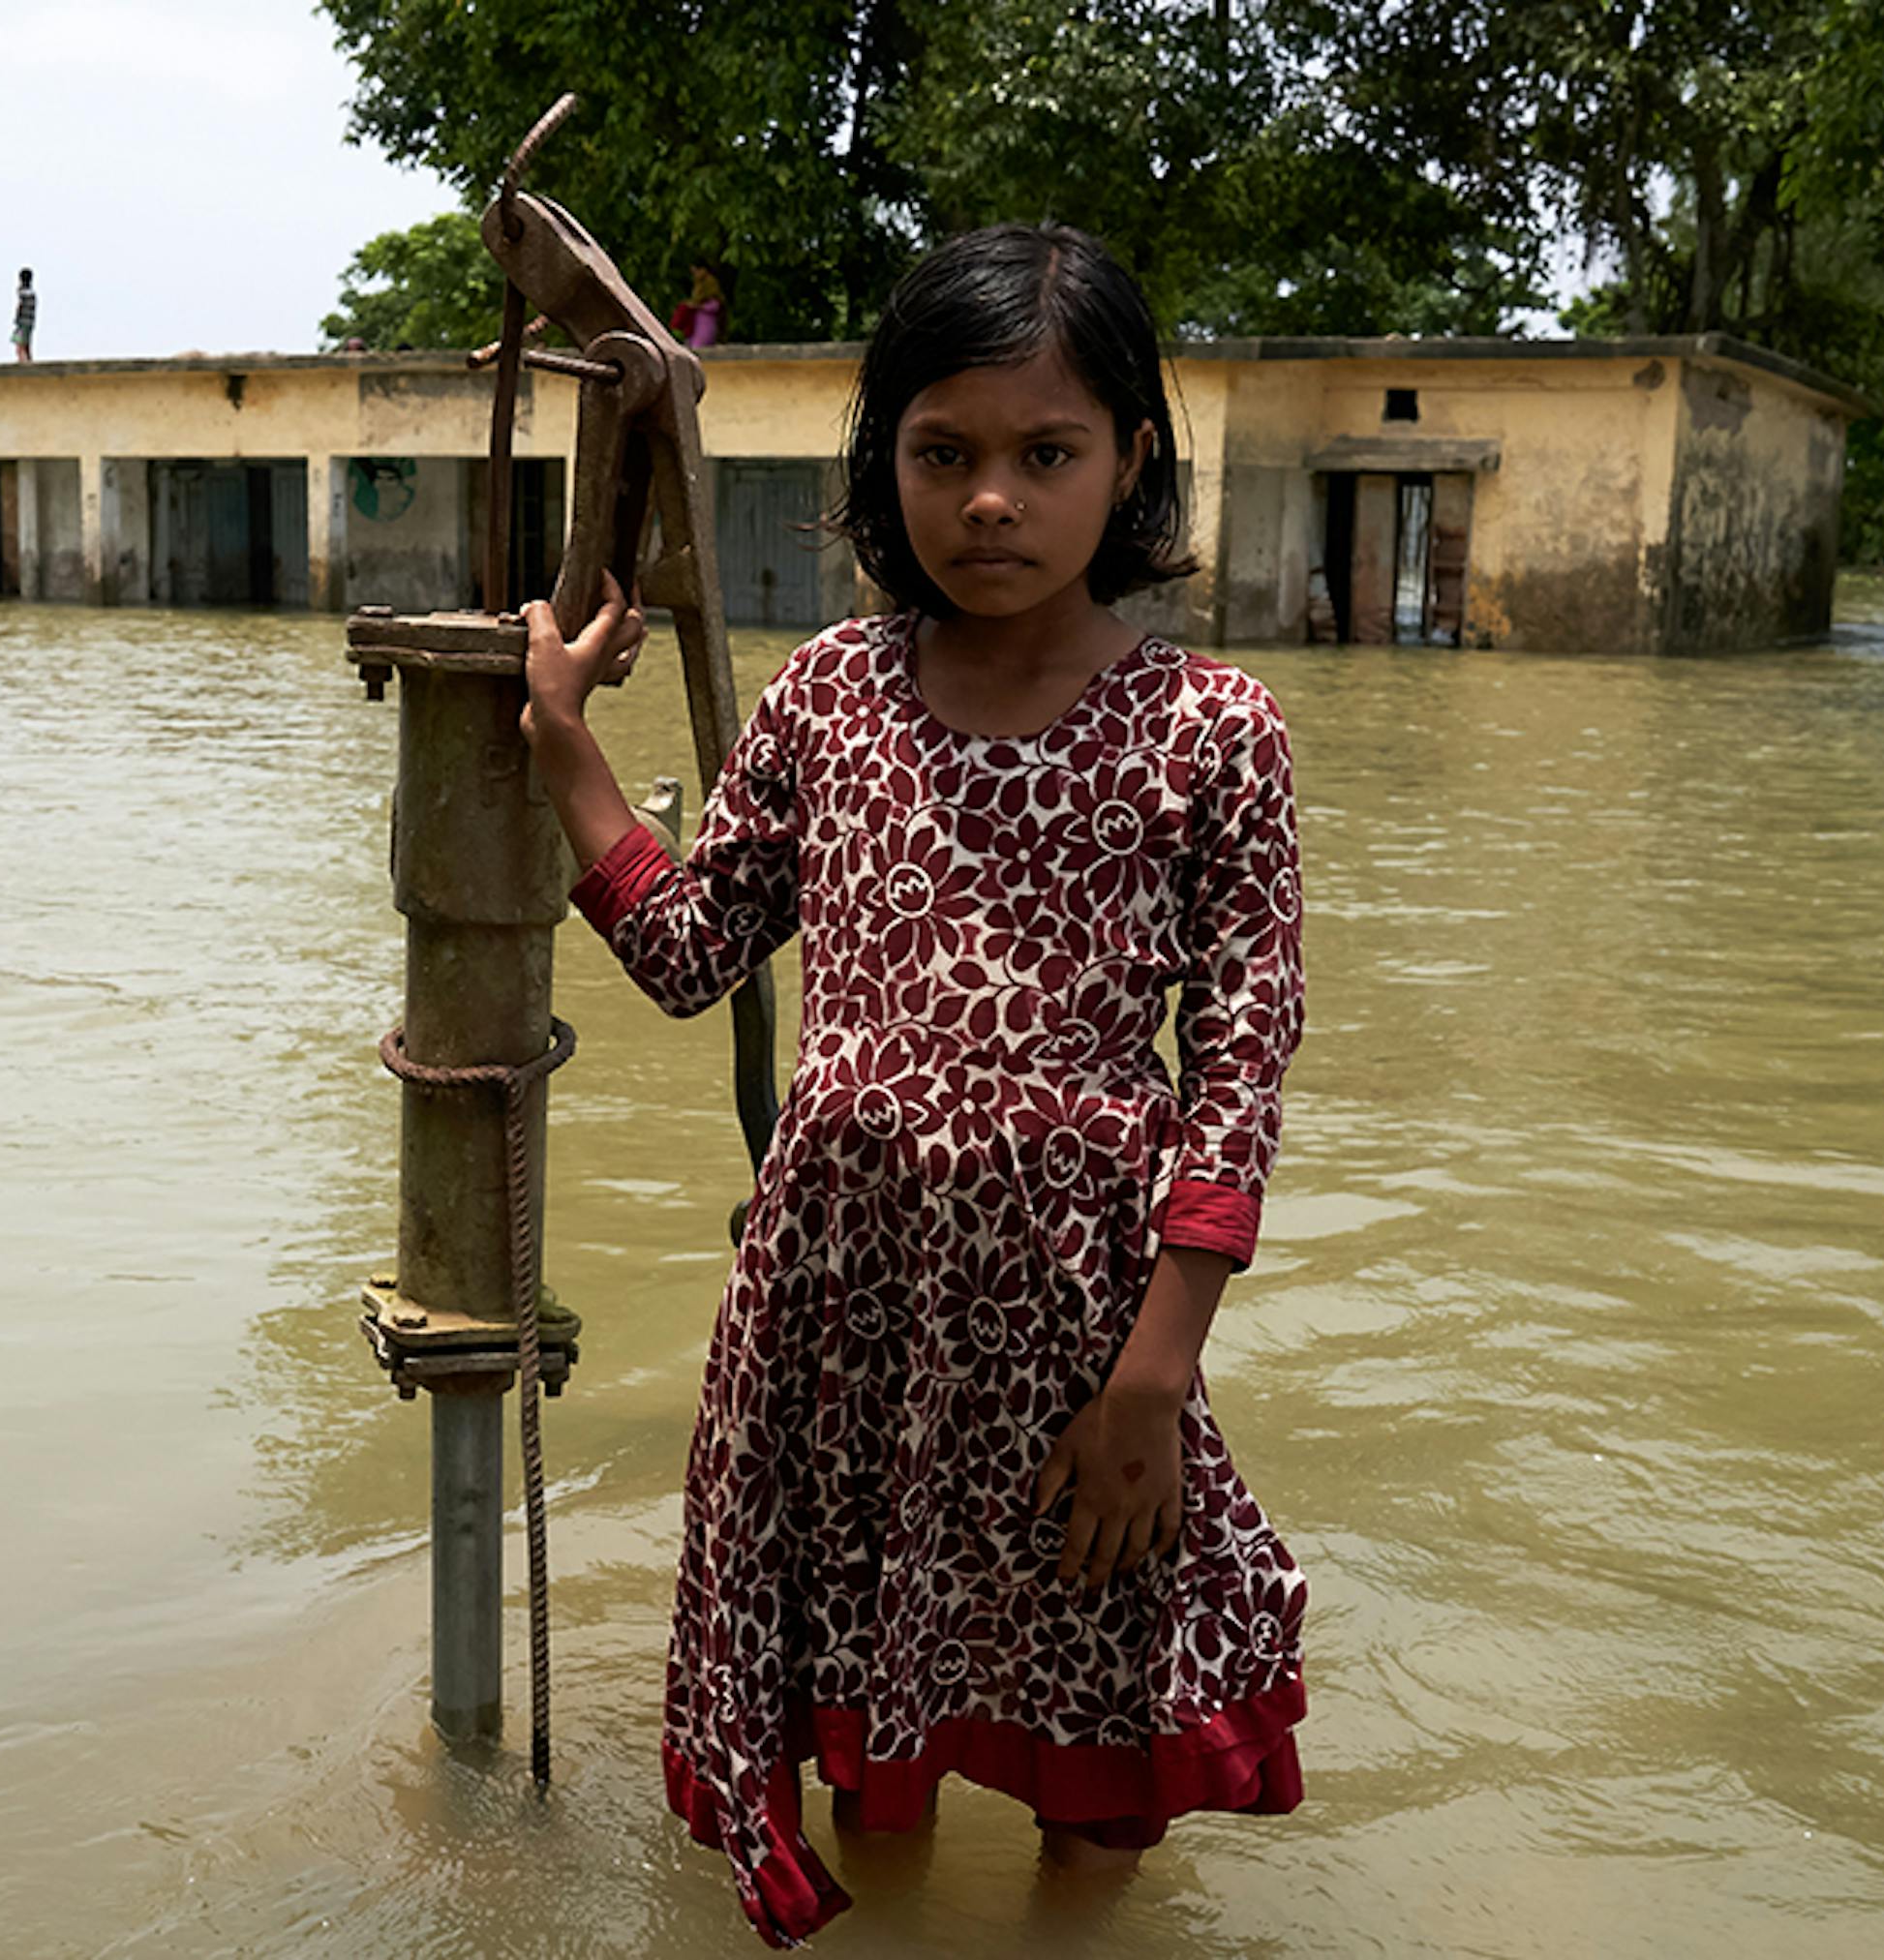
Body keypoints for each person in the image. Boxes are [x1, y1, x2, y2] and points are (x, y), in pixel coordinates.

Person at [518, 224, 1308, 1946]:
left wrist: (1154, 1380)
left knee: (1105, 1716)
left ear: (1133, 464)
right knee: (868, 1725)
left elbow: (1239, 1072)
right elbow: (689, 951)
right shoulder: (830, 699)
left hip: (1084, 1336)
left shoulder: (1213, 733)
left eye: (1047, 455)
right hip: (839, 1319)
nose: (993, 503)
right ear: (888, 465)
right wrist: (566, 750)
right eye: (943, 455)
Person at [669, 261, 727, 348]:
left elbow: (715, 305)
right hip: (696, 323)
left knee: (700, 345)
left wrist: (699, 307)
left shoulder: (710, 284)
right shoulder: (698, 285)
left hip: (706, 323)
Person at [12, 268, 37, 363]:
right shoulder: (32, 295)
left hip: (23, 323)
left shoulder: (25, 294)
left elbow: (20, 294)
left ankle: (24, 362)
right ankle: (27, 361)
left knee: (20, 345)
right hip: (29, 323)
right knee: (26, 345)